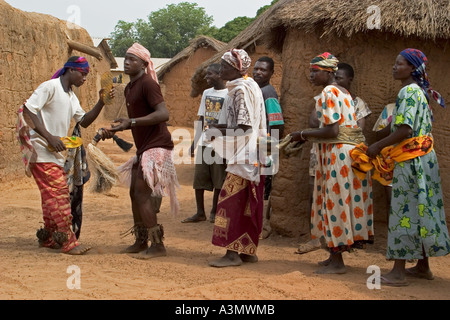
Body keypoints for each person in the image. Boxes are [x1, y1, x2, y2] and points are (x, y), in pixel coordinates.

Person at [365, 49, 450, 286]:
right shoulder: (419, 92)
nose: (394, 67)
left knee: (403, 211)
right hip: (423, 158)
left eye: (399, 63)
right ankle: (423, 266)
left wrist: (376, 147)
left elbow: (405, 130)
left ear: (412, 68)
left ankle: (398, 272)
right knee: (420, 208)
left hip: (410, 161)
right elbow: (398, 127)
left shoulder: (408, 91)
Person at [290, 52, 374, 274]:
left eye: (314, 71)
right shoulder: (343, 92)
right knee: (336, 202)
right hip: (343, 153)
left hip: (337, 154)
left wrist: (302, 134)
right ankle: (333, 255)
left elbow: (332, 130)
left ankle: (337, 263)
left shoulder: (329, 91)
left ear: (328, 72)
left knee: (334, 203)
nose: (310, 75)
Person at [18, 56, 111, 255]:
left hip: (54, 154)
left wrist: (101, 102)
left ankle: (50, 237)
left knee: (50, 197)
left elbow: (84, 120)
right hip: (41, 150)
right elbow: (28, 109)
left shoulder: (71, 96)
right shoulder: (50, 87)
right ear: (70, 70)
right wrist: (49, 137)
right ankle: (68, 241)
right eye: (82, 73)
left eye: (86, 75)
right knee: (59, 195)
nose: (85, 78)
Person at [101, 43, 180, 259]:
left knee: (141, 193)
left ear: (144, 64)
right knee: (134, 193)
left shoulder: (148, 84)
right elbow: (134, 122)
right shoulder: (129, 88)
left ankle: (157, 245)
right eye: (125, 58)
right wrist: (119, 127)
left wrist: (131, 122)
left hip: (157, 145)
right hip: (145, 147)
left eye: (132, 59)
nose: (126, 62)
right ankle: (140, 240)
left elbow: (163, 114)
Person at [206, 49, 267, 267]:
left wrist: (217, 132)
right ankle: (247, 251)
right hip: (253, 154)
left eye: (223, 66)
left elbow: (244, 126)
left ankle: (232, 254)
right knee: (248, 204)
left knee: (230, 203)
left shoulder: (240, 90)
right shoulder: (249, 86)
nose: (220, 69)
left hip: (245, 155)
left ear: (234, 68)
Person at [182, 64, 228, 224]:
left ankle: (214, 210)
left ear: (220, 75)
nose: (206, 78)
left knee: (218, 179)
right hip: (205, 143)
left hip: (221, 143)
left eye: (210, 74)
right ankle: (200, 212)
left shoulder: (230, 93)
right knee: (199, 179)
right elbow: (202, 119)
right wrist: (194, 143)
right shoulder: (207, 93)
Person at [252, 56, 285, 239]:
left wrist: (269, 147)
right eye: (256, 68)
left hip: (265, 148)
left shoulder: (268, 93)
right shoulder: (259, 90)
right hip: (259, 147)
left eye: (263, 70)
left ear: (272, 73)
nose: (258, 72)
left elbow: (277, 123)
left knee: (264, 188)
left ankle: (264, 226)